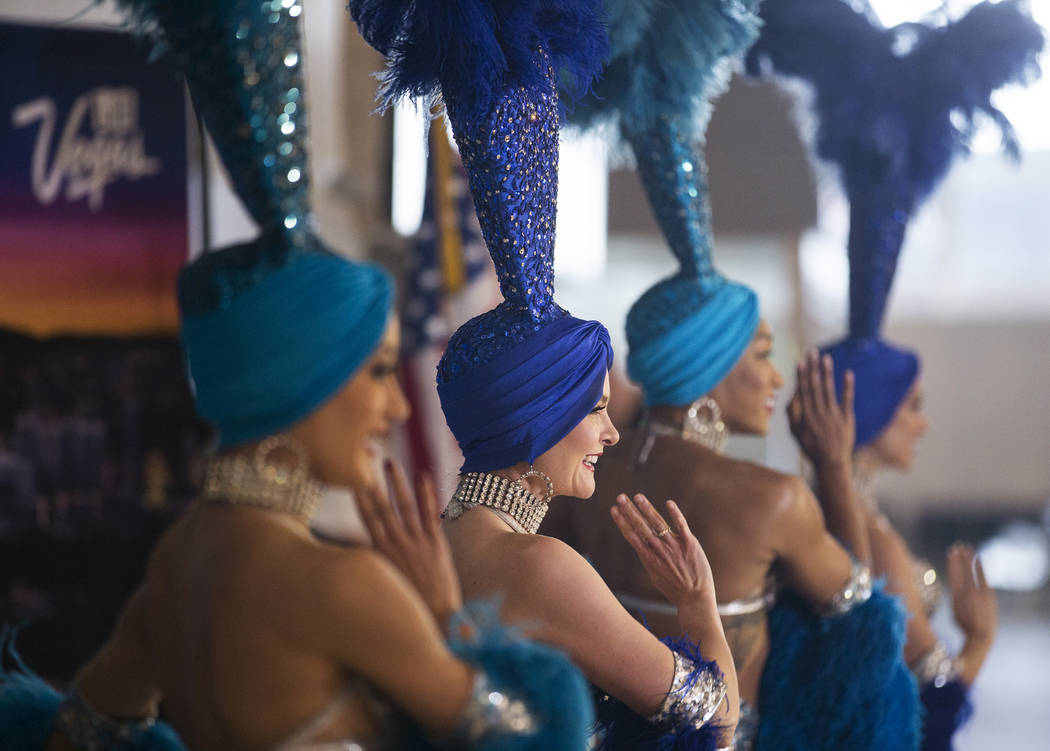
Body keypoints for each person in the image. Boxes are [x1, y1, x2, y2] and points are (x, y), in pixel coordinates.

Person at [0, 2, 596, 749]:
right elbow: (532, 739)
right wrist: (455, 623)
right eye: (376, 371)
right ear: (297, 378)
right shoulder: (341, 587)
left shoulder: (175, 568)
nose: (395, 408)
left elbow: (71, 736)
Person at [348, 2, 740, 749]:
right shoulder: (543, 568)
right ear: (535, 419)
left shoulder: (440, 545)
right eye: (593, 406)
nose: (612, 427)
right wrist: (701, 611)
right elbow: (711, 720)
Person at [543, 1, 925, 749]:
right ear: (711, 368)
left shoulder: (589, 478)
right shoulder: (771, 498)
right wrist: (834, 469)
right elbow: (864, 631)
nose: (775, 376)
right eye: (759, 354)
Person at [745, 1, 1042, 747]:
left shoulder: (841, 514)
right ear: (867, 413)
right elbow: (921, 706)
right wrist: (976, 641)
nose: (924, 421)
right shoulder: (868, 541)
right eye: (913, 405)